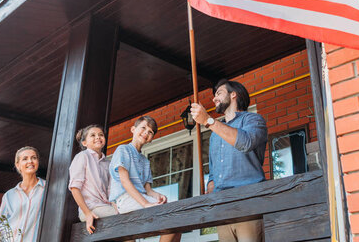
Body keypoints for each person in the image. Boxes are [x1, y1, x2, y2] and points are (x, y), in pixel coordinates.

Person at [191, 79, 268, 242]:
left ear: (234, 94)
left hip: (248, 201)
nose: (214, 99)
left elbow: (245, 142)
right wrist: (211, 184)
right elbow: (213, 171)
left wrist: (208, 121)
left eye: (219, 93)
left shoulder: (253, 120)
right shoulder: (214, 134)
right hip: (222, 207)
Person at [109, 116, 181, 242]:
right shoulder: (123, 150)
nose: (146, 133)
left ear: (151, 139)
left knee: (178, 224)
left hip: (140, 198)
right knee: (171, 218)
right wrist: (146, 203)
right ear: (133, 129)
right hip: (125, 199)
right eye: (143, 128)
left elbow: (148, 190)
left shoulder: (145, 161)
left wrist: (158, 196)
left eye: (150, 132)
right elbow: (125, 181)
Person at [69, 124, 118, 234]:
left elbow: (111, 191)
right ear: (84, 143)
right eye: (93, 135)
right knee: (125, 217)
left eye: (100, 135)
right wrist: (87, 213)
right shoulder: (82, 157)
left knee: (128, 216)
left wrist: (116, 206)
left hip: (107, 207)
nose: (98, 137)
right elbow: (74, 188)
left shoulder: (108, 163)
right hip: (91, 209)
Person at [0, 146, 45, 242]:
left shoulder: (47, 189)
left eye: (34, 158)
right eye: (25, 159)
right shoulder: (9, 195)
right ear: (18, 165)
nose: (30, 161)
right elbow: (0, 225)